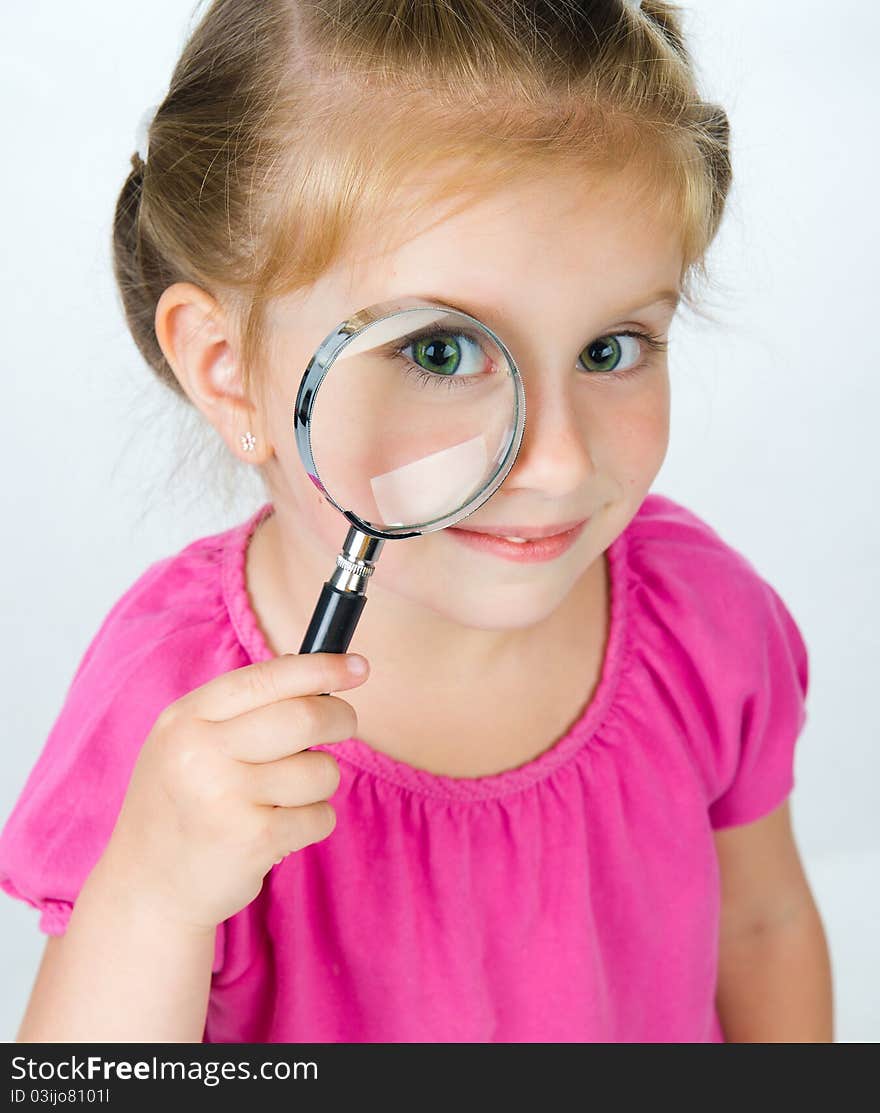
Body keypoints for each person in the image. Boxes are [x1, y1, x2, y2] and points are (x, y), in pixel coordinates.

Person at [0, 0, 833, 1042]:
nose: (560, 462)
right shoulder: (171, 708)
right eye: (440, 351)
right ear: (227, 372)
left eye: (613, 347)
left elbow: (760, 927)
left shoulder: (702, 621)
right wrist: (150, 895)